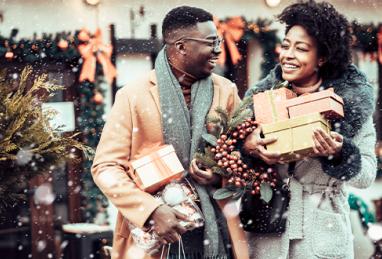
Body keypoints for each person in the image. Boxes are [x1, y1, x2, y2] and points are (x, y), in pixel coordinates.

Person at [91, 6, 244, 259]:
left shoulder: (225, 90)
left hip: (217, 232)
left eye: (218, 41)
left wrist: (219, 175)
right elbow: (106, 167)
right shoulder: (133, 95)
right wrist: (151, 210)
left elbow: (244, 156)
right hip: (152, 241)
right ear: (181, 47)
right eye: (211, 42)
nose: (218, 49)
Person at [243, 1, 377, 258]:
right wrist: (248, 147)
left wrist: (339, 154)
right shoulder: (260, 98)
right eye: (286, 45)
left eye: (301, 48)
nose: (288, 55)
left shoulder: (351, 103)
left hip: (322, 234)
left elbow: (367, 174)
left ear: (322, 57)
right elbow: (227, 157)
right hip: (267, 233)